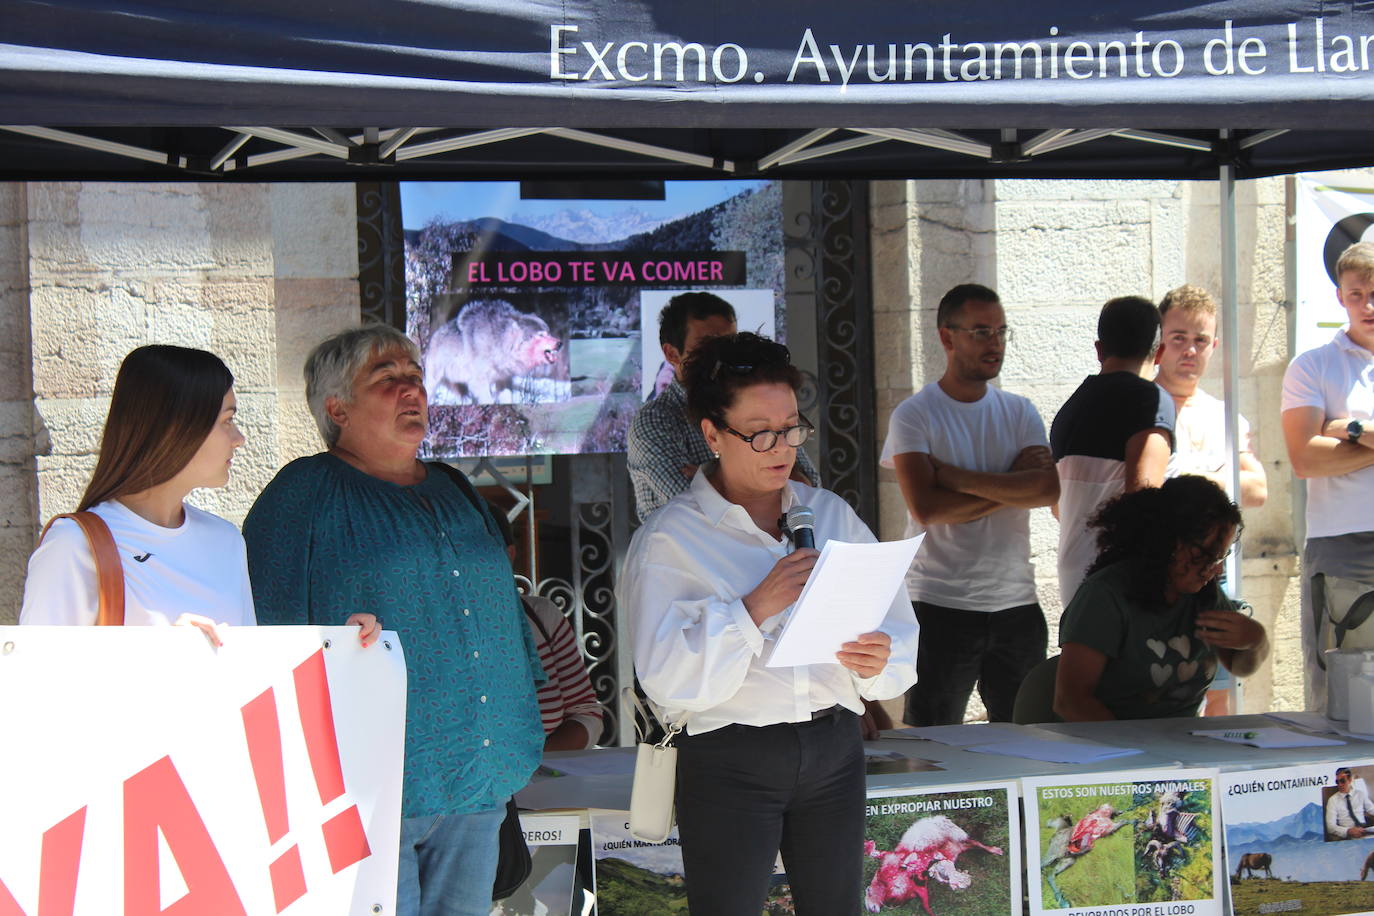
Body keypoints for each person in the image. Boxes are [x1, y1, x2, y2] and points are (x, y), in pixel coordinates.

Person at [243, 324, 543, 916]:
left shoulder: (456, 487)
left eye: (415, 378)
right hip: (370, 787)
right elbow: (265, 626)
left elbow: (504, 620)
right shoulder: (304, 492)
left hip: (478, 778)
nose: (412, 391)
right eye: (387, 380)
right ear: (338, 408)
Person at [620, 331, 919, 915]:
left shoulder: (829, 513)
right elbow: (664, 680)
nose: (780, 447)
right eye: (759, 432)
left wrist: (880, 661)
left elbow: (897, 631)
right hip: (731, 755)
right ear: (712, 434)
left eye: (790, 428)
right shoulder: (671, 539)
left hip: (834, 745)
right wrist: (753, 609)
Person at [880, 283, 1058, 726]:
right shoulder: (915, 414)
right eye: (981, 331)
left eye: (1001, 331)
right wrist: (1010, 482)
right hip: (941, 603)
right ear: (947, 336)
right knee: (934, 745)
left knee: (1028, 741)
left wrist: (955, 478)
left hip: (1016, 603)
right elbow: (928, 508)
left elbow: (1048, 490)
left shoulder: (1020, 411)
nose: (994, 343)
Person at [20, 345, 256, 639]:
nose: (239, 439)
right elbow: (35, 678)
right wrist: (155, 658)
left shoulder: (227, 541)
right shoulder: (75, 545)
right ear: (176, 428)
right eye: (227, 421)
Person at [1053, 475, 1269, 721]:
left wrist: (1256, 641)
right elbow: (1070, 701)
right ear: (1170, 543)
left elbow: (1238, 665)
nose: (1216, 569)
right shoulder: (1106, 595)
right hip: (1113, 746)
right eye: (1208, 555)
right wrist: (1140, 751)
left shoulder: (1203, 594)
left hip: (1177, 744)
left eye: (1221, 557)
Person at [627, 291, 818, 522]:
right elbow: (699, 508)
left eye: (728, 343)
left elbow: (810, 488)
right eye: (706, 346)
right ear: (671, 353)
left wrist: (711, 476)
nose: (721, 356)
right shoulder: (656, 420)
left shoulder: (759, 404)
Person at [1281, 241, 1374, 712]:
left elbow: (1326, 448)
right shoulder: (1313, 365)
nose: (1368, 305)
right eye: (1356, 293)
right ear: (1340, 296)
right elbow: (1305, 459)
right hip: (1342, 545)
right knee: (1339, 685)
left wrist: (1351, 430)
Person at [1051, 296, 1176, 605]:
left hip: (1073, 566)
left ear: (1099, 349)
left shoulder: (1069, 409)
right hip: (1120, 573)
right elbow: (1143, 496)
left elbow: (1057, 506)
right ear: (1159, 352)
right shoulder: (1151, 400)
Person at [491, 506, 605, 751]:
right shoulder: (433, 636)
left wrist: (534, 766)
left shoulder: (541, 617)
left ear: (508, 554)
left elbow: (585, 712)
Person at [1156, 285, 1268, 507]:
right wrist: (1225, 480)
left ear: (1214, 345)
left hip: (1218, 541)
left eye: (1200, 340)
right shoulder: (1140, 409)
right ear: (1159, 341)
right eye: (1179, 338)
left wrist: (1190, 480)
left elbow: (1258, 490)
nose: (1190, 350)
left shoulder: (1225, 417)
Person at [1326, 766, 1374, 840]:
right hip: (1349, 835)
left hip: (1364, 830)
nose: (1339, 784)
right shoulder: (1332, 800)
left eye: (1342, 781)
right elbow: (1330, 826)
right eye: (1337, 782)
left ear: (1350, 780)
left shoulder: (1360, 794)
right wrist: (1348, 831)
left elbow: (1371, 809)